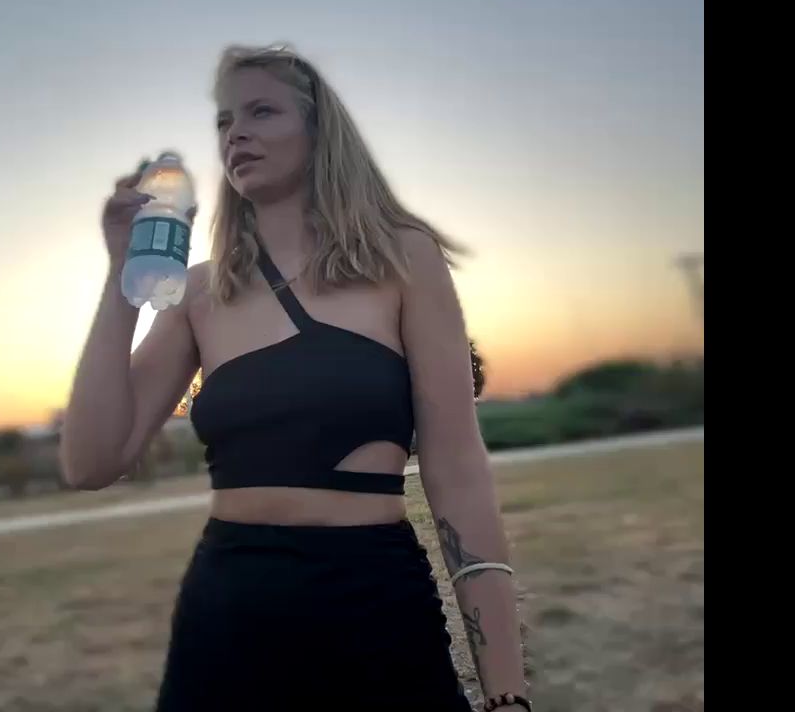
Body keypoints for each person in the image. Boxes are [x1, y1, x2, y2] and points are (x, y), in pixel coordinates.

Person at [61, 46, 529, 711]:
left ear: (318, 129)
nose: (235, 134)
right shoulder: (202, 294)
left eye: (261, 112)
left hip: (374, 607)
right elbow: (89, 462)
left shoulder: (402, 258)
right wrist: (122, 274)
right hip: (226, 619)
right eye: (224, 121)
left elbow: (457, 469)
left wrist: (506, 694)